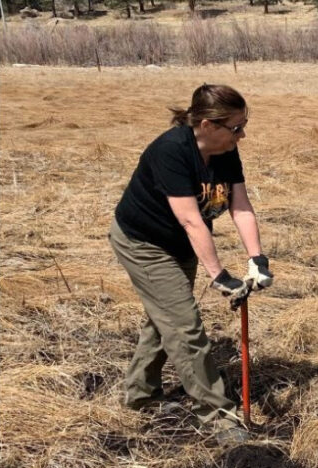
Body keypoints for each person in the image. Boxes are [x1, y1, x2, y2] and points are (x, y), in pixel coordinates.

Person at [108, 84, 272, 446]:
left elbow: (240, 206)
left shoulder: (225, 150)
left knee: (166, 318)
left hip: (181, 244)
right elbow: (191, 221)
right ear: (209, 124)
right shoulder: (171, 151)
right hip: (143, 243)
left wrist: (256, 258)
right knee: (185, 328)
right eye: (236, 127)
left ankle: (140, 395)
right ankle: (217, 414)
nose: (242, 135)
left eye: (244, 125)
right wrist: (219, 276)